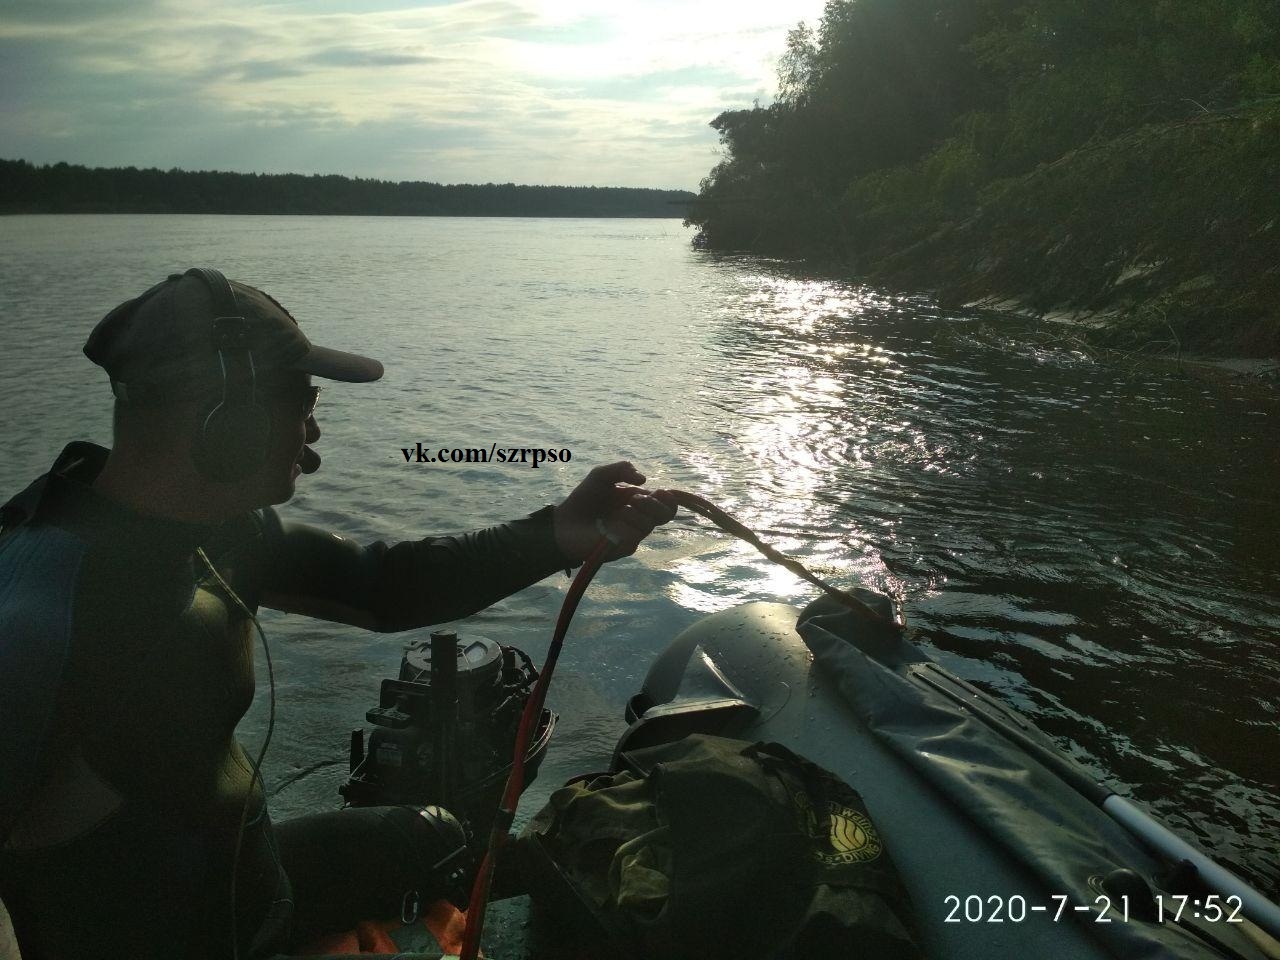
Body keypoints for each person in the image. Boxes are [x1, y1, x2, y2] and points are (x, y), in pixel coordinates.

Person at [0, 267, 677, 959]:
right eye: (302, 405)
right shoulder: (39, 618)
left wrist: (558, 534)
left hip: (245, 886)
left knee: (435, 835)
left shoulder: (215, 527)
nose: (315, 435)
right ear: (225, 419)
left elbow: (381, 584)